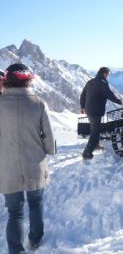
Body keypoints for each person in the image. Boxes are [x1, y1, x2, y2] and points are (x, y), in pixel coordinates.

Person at [0, 63, 56, 252]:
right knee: (36, 202)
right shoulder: (38, 103)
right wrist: (49, 150)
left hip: (7, 167)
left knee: (14, 212)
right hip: (35, 165)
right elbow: (49, 137)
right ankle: (35, 239)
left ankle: (15, 250)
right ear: (28, 80)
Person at [80, 67, 122, 160]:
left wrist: (82, 106)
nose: (108, 76)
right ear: (104, 73)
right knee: (95, 131)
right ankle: (86, 153)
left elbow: (83, 95)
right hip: (95, 111)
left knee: (95, 128)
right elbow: (109, 94)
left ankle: (96, 145)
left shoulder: (90, 81)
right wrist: (119, 101)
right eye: (108, 74)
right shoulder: (102, 83)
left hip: (89, 110)